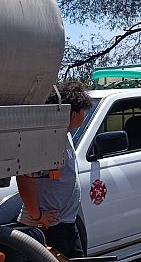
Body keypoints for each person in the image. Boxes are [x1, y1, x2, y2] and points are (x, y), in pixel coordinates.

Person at [18, 81, 93, 258]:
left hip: (65, 221)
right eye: (83, 111)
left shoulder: (64, 135)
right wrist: (37, 216)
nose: (85, 114)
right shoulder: (46, 142)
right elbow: (23, 176)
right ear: (73, 115)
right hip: (49, 225)